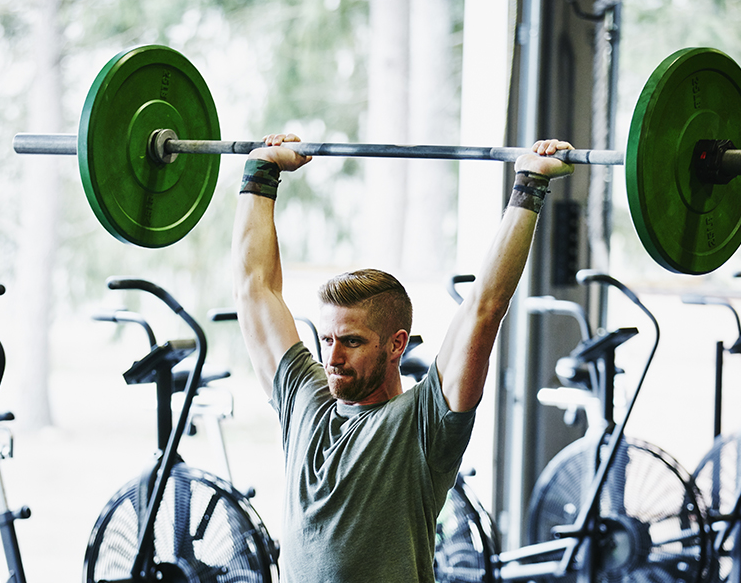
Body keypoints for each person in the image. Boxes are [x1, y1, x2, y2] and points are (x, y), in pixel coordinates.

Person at [231, 134, 574, 582]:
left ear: (396, 344)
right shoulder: (305, 402)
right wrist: (261, 170)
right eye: (327, 338)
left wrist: (529, 185)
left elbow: (485, 307)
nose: (332, 357)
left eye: (351, 341)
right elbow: (254, 289)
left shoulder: (424, 424)